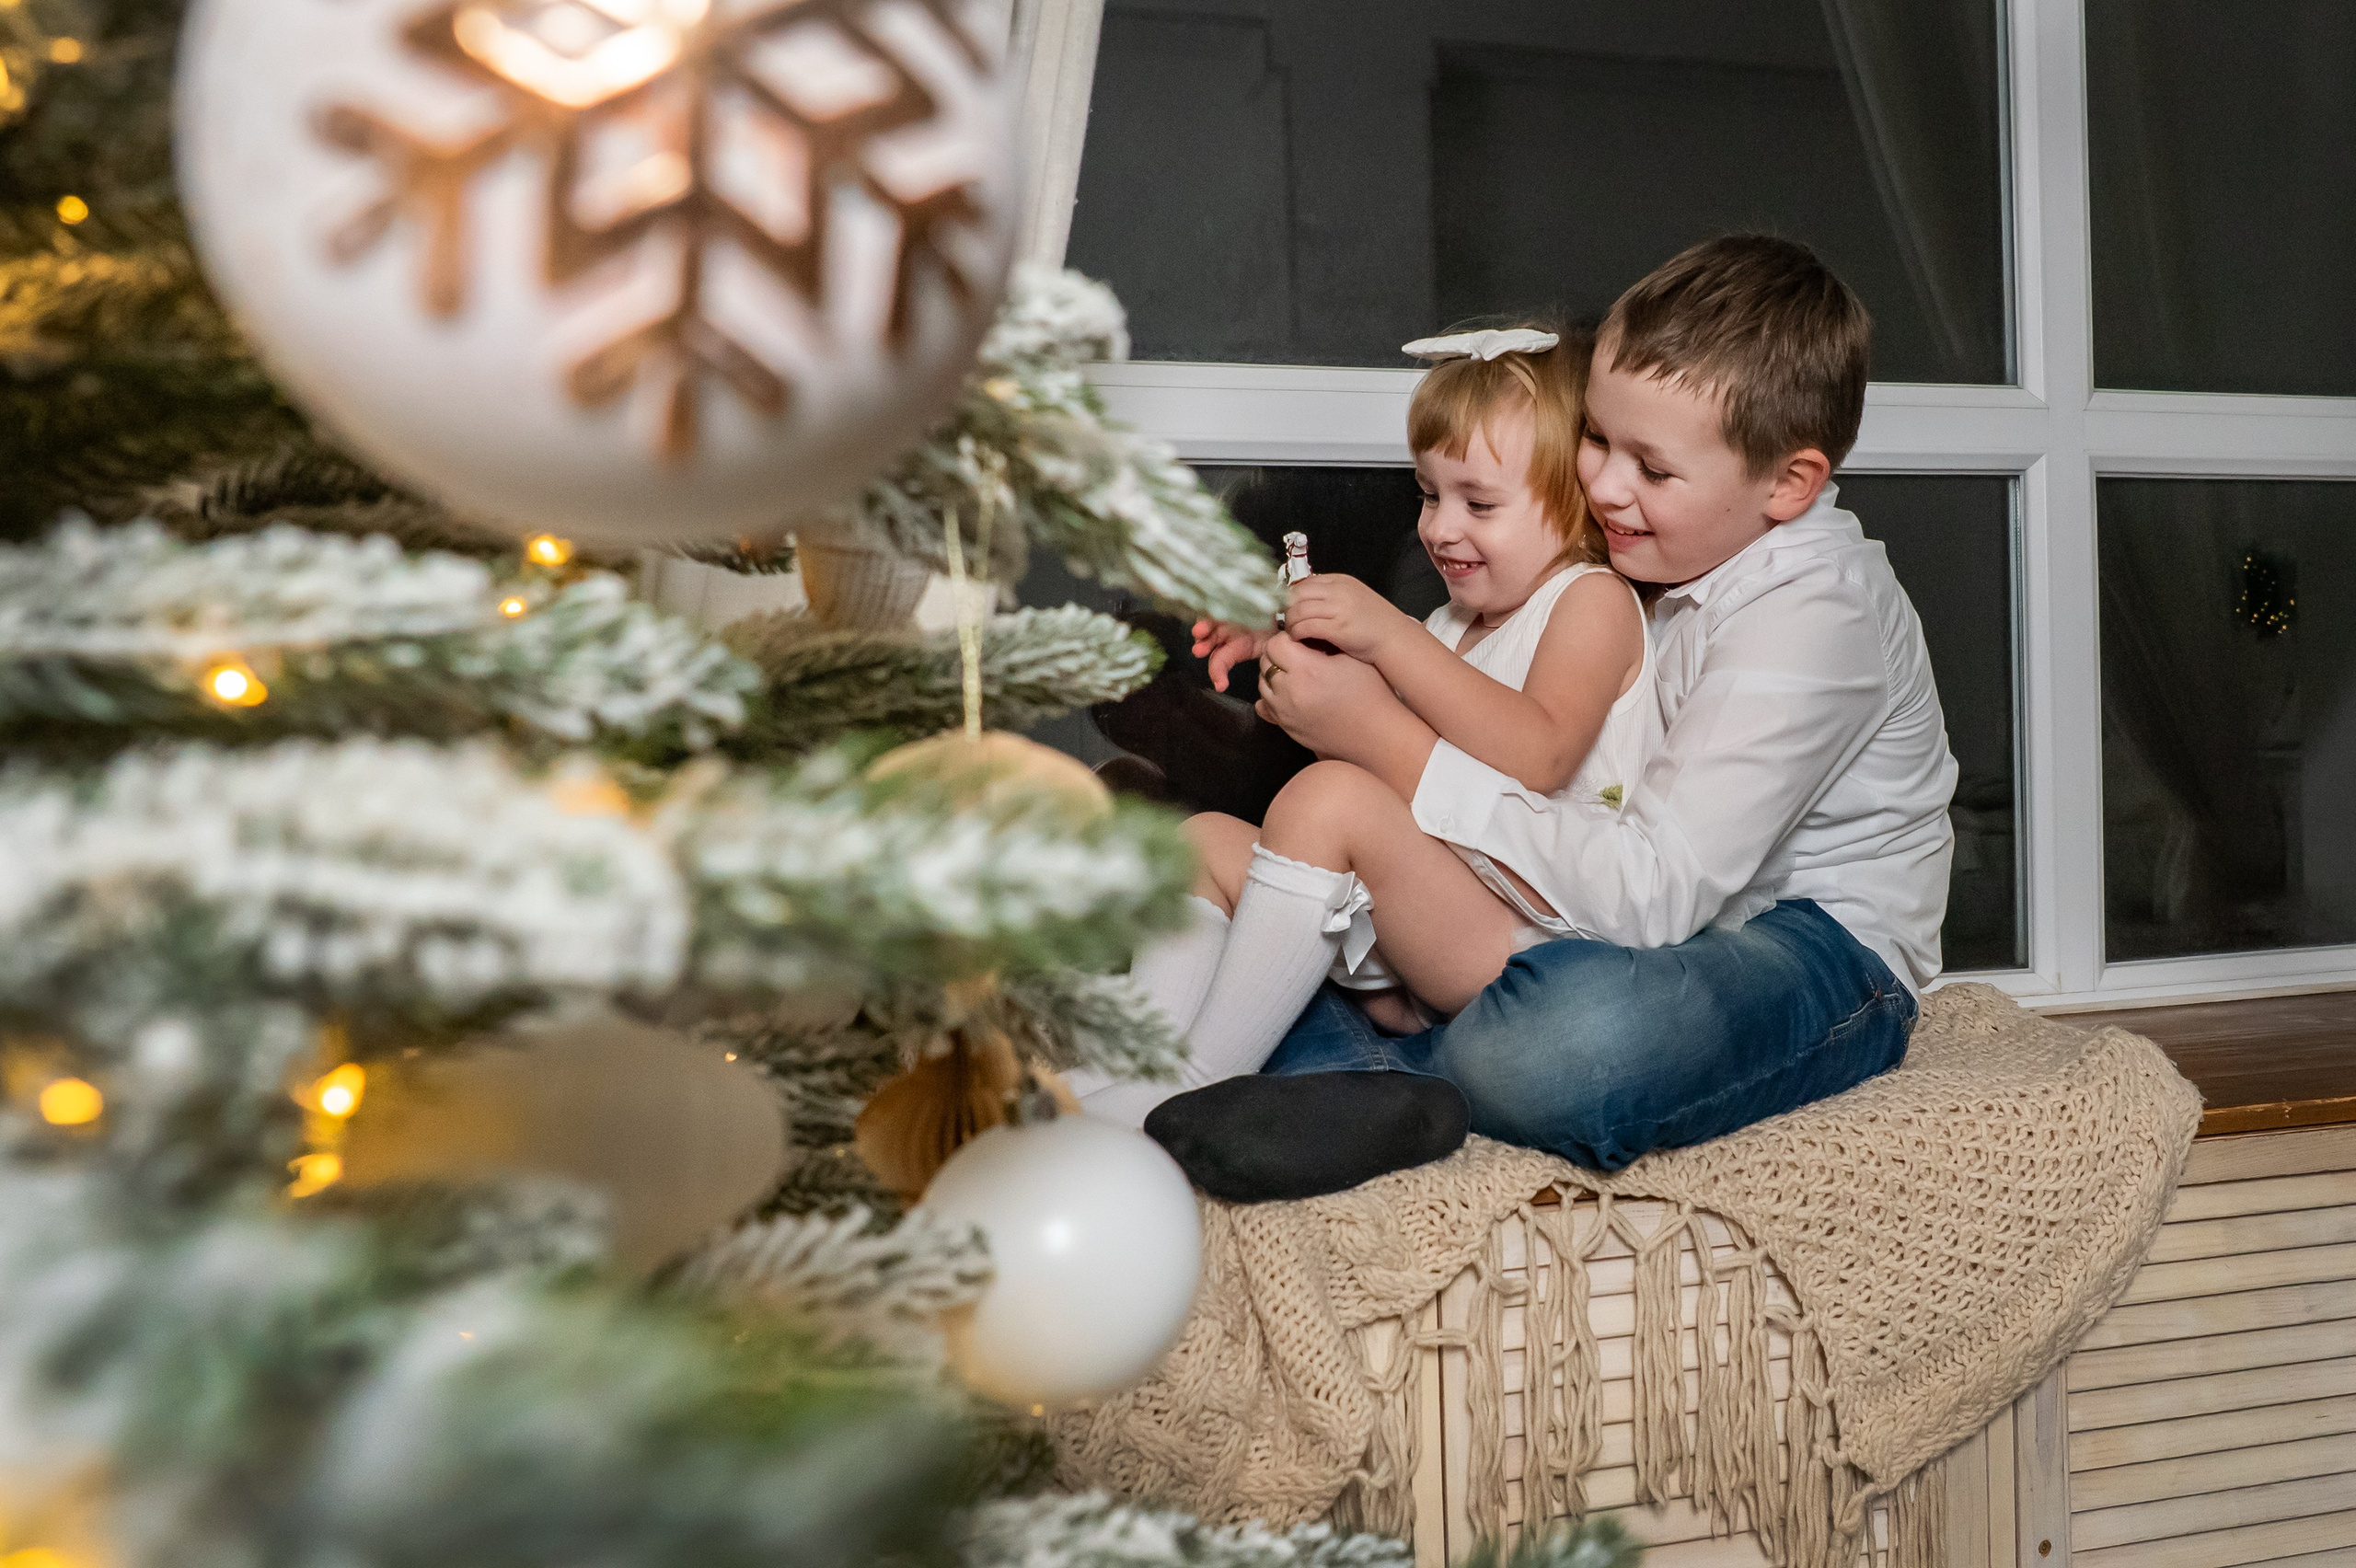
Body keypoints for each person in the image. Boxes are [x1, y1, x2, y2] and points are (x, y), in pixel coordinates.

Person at [1208, 233, 1958, 1187]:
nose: (1601, 485)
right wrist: (1325, 642)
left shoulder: (1816, 615)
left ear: (1786, 485)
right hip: (1633, 920)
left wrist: (1378, 732)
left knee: (1567, 1043)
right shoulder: (1660, 547)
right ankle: (1336, 1067)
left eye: (1650, 467)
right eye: (1596, 438)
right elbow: (1490, 693)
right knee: (1284, 890)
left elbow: (1651, 895)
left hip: (1814, 944)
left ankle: (1359, 1070)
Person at [1068, 322, 1653, 1129]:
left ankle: (1197, 1086)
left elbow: (1541, 751)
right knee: (1201, 839)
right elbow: (1397, 747)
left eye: (1478, 502)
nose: (1441, 528)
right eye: (1429, 493)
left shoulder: (1591, 600)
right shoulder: (1457, 624)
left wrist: (1390, 633)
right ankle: (1135, 1061)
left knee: (1330, 799)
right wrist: (1295, 652)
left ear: (1575, 503)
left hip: (1535, 942)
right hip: (1434, 911)